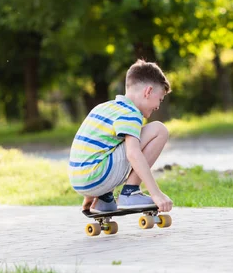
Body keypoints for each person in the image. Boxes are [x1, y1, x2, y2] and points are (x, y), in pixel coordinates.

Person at [68, 59, 173, 214]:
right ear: (148, 91)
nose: (158, 106)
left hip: (80, 180)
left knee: (115, 143)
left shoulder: (104, 108)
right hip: (97, 176)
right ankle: (130, 192)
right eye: (160, 99)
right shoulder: (131, 113)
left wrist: (90, 192)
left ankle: (104, 199)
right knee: (159, 130)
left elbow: (89, 148)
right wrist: (156, 194)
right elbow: (133, 153)